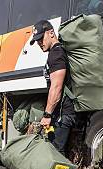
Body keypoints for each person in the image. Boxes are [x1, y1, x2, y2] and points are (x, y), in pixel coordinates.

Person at [30, 20, 76, 154]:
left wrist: (47, 114)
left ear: (51, 33)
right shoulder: (56, 52)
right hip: (61, 114)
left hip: (63, 114)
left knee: (56, 156)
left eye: (40, 39)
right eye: (37, 41)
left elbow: (56, 86)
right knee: (56, 154)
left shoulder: (56, 53)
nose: (39, 43)